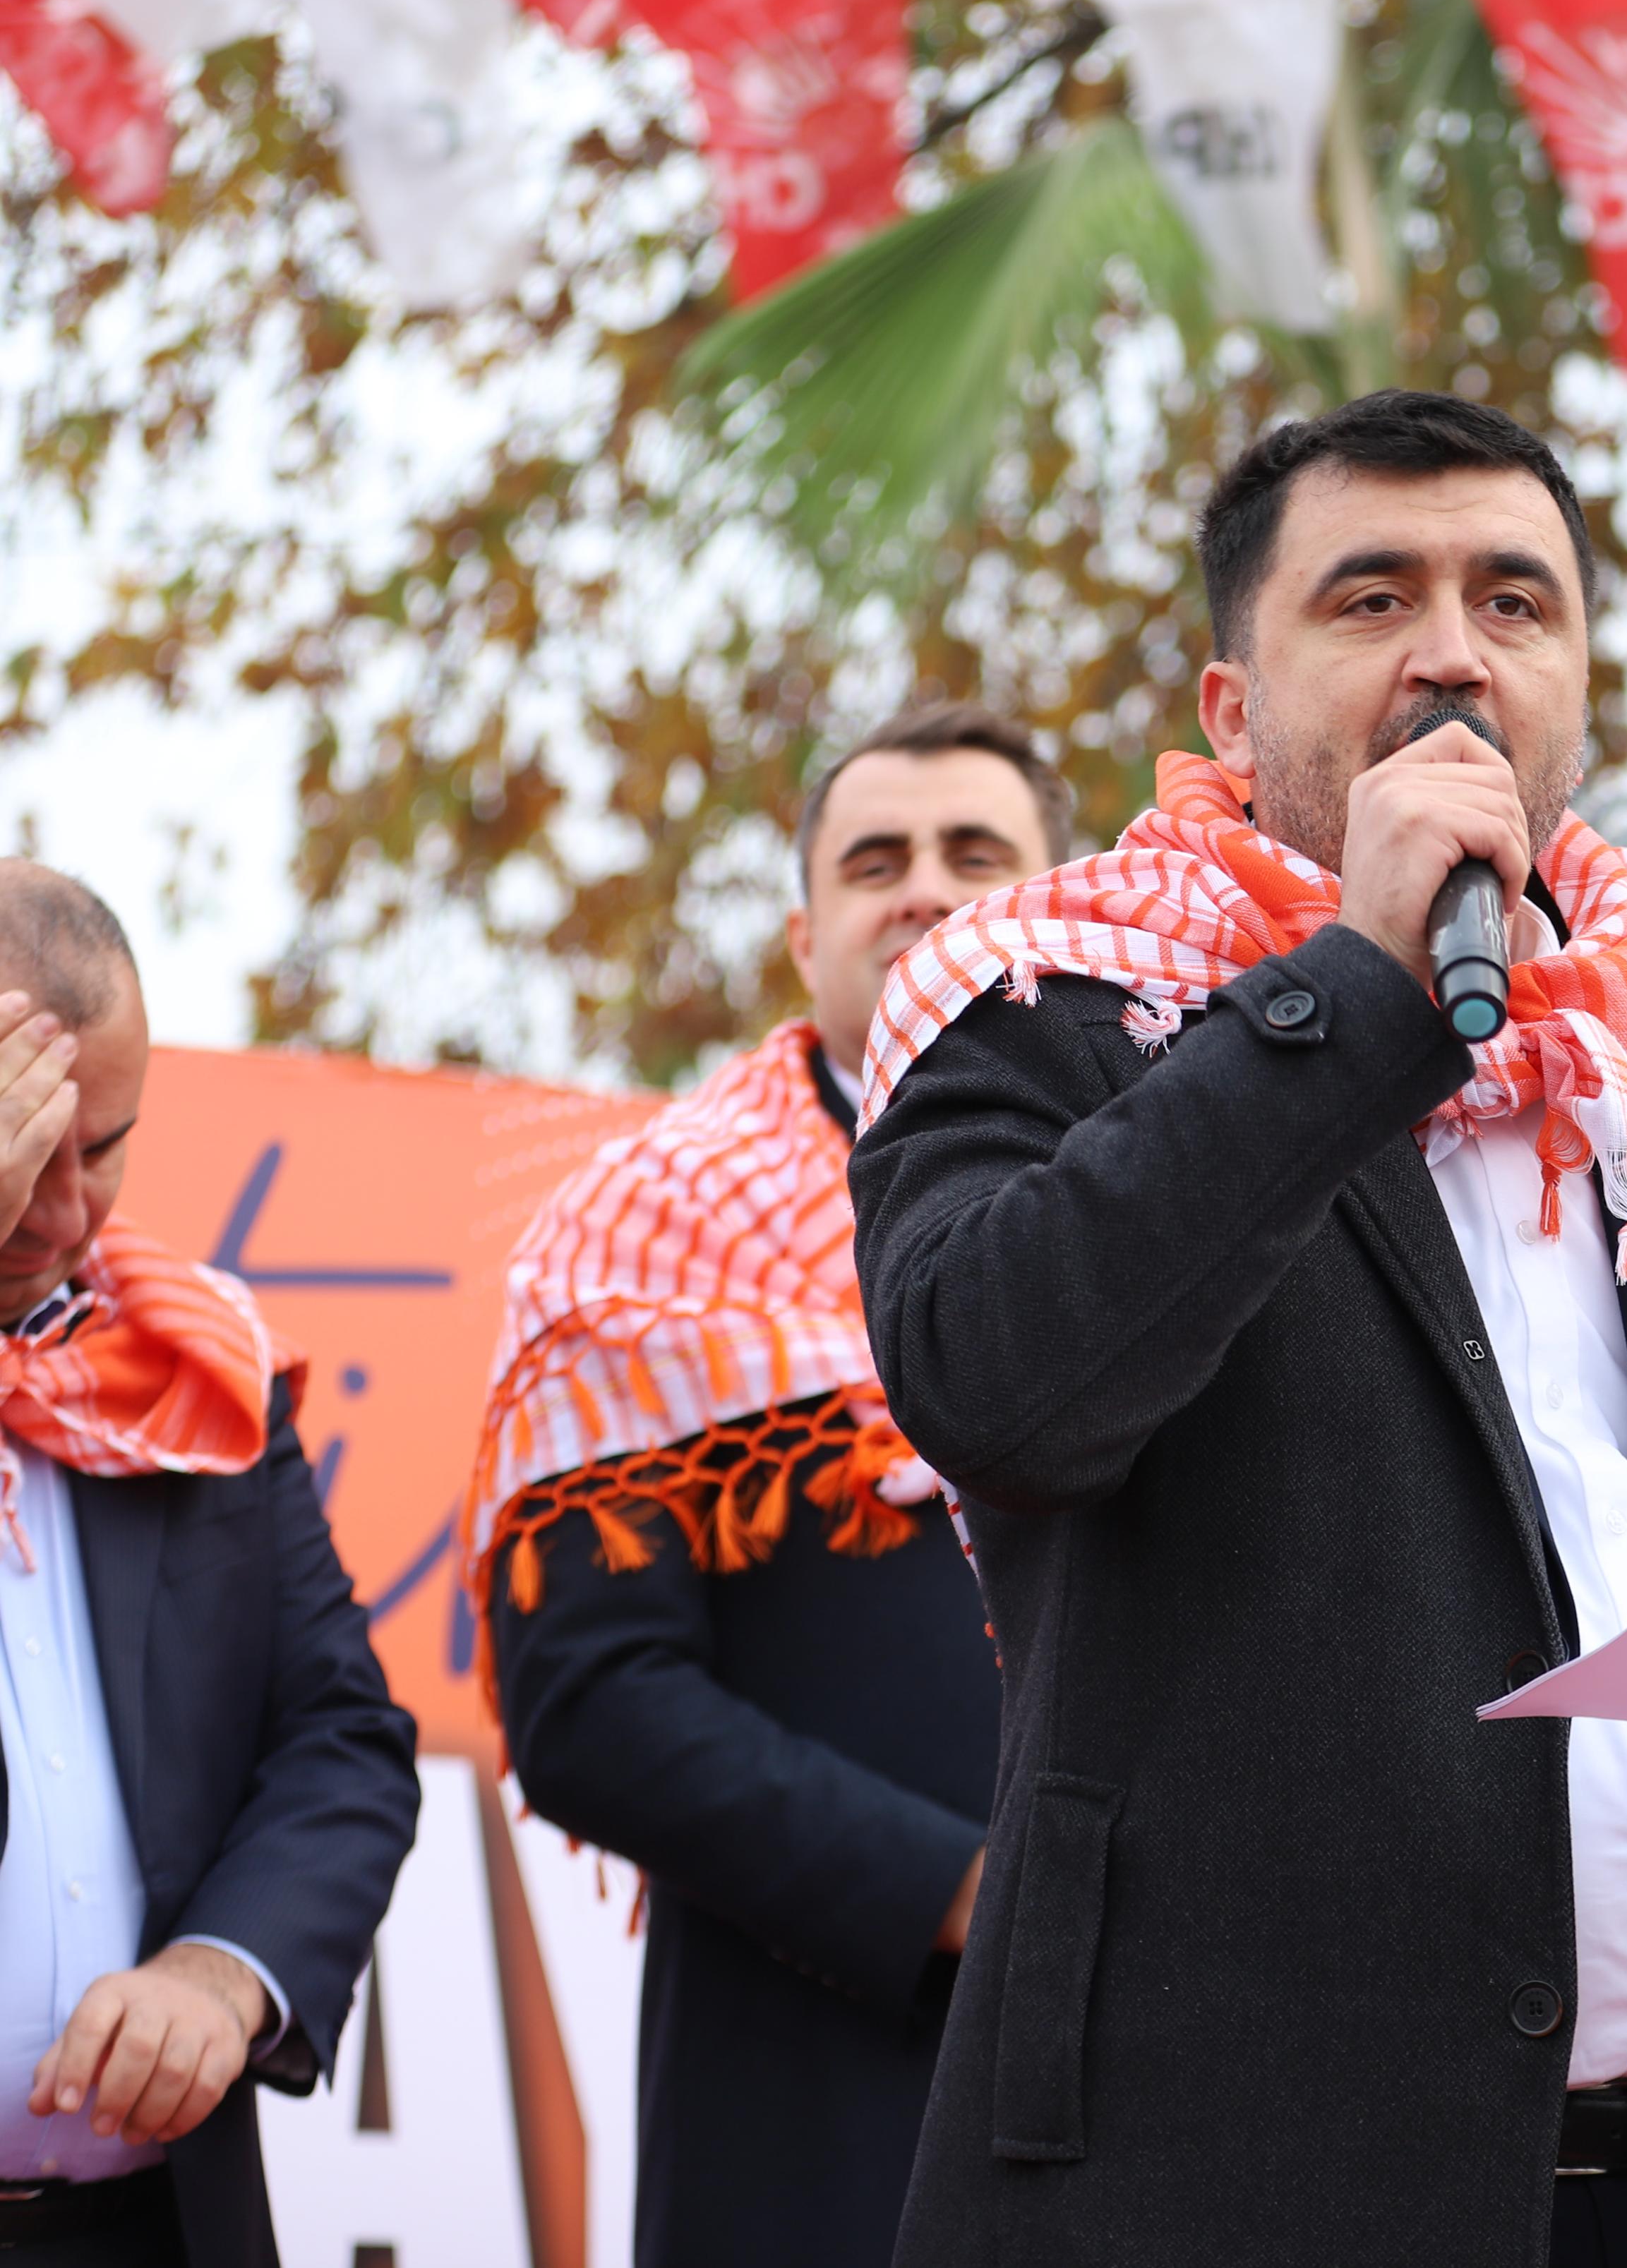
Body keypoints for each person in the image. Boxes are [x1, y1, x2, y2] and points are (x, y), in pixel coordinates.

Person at [848, 391, 1627, 2268]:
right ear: (1233, 709)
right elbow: (1000, 1387)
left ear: (1577, 689)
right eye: (1373, 598)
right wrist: (1360, 992)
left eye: (1514, 602)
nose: (1455, 652)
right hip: (1234, 2198)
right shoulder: (1044, 1000)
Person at [467, 704, 1066, 2268]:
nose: (923, 887)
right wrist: (954, 1891)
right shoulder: (643, 1244)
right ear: (807, 936)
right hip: (822, 2091)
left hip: (1180, 2058)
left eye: (976, 852)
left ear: (1066, 903)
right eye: (876, 860)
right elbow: (588, 1700)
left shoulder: (1196, 1181)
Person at [0, 863, 419, 2267]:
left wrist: (221, 1971)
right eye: (23, 1142)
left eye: (105, 1147)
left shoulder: (194, 1370)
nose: (66, 1214)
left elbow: (340, 1738)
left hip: (159, 2224)